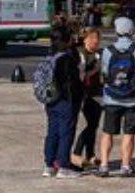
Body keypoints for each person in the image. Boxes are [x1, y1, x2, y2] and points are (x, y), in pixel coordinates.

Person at [97, 16, 135, 178]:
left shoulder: (107, 51)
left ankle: (104, 166)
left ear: (116, 31)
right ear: (132, 31)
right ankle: (126, 166)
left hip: (111, 97)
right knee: (129, 133)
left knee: (107, 132)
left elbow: (105, 73)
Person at [41, 24, 84, 178]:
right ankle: (64, 166)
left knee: (52, 131)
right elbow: (73, 82)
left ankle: (49, 164)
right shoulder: (66, 58)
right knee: (66, 132)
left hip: (50, 99)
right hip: (66, 100)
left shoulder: (49, 55)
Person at [70, 27, 104, 170]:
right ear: (84, 39)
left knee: (94, 124)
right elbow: (79, 76)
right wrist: (94, 71)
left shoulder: (98, 54)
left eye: (97, 38)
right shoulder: (80, 54)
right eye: (91, 38)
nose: (95, 41)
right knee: (91, 125)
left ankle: (90, 155)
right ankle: (77, 152)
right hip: (84, 94)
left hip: (97, 92)